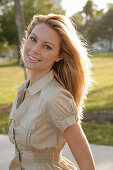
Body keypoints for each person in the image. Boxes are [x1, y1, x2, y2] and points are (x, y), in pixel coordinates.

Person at [8, 14, 96, 170]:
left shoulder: (55, 97)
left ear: (59, 55)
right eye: (33, 39)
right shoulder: (24, 91)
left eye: (47, 46)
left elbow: (87, 165)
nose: (35, 50)